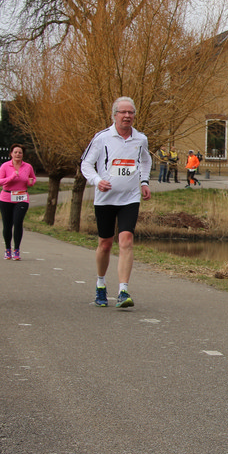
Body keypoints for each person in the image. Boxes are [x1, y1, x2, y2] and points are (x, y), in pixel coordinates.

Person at [80, 97, 152, 308]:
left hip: (130, 198)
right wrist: (97, 181)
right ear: (114, 115)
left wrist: (144, 182)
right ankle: (100, 285)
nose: (127, 116)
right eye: (123, 112)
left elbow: (146, 160)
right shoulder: (102, 138)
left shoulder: (140, 139)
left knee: (126, 240)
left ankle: (123, 291)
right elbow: (86, 164)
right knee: (105, 243)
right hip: (105, 199)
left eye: (131, 113)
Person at [0, 143, 37, 261]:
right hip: (6, 197)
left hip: (22, 197)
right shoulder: (5, 166)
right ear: (11, 154)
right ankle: (7, 249)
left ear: (23, 155)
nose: (18, 154)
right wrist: (11, 177)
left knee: (18, 222)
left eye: (20, 152)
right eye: (15, 152)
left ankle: (16, 250)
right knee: (7, 225)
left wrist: (31, 182)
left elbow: (33, 179)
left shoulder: (28, 167)